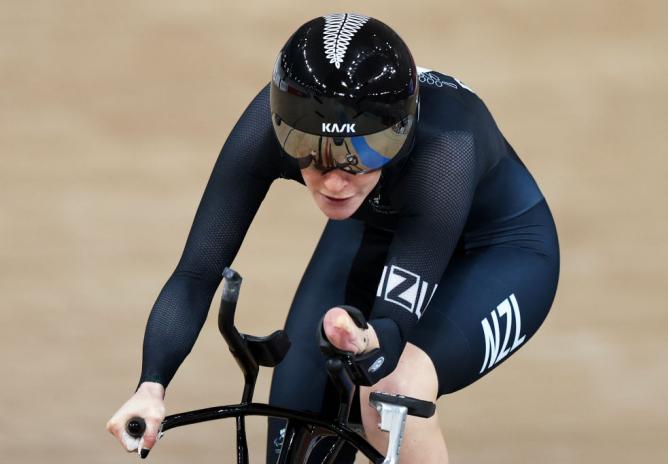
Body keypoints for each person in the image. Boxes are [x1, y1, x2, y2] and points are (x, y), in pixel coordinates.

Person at [106, 13, 560, 463]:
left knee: (390, 393)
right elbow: (195, 273)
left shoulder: (446, 148)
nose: (334, 183)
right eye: (311, 154)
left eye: (361, 155)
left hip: (499, 250)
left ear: (401, 133)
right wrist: (151, 387)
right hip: (377, 226)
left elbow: (390, 337)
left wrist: (366, 347)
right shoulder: (269, 127)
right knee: (296, 432)